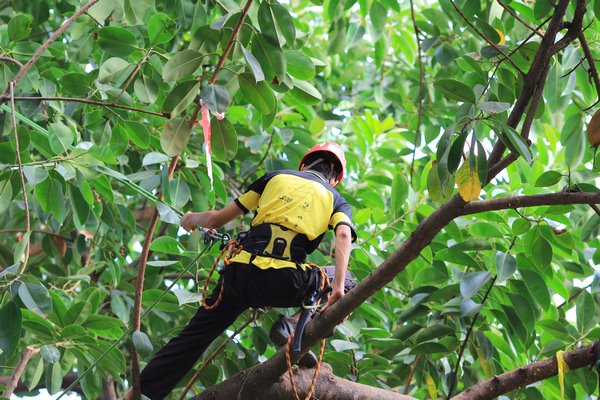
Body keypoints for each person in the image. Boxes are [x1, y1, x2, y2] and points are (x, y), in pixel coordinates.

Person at [130, 142, 356, 400]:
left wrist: (191, 218)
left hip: (239, 276)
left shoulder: (275, 177)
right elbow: (343, 234)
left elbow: (216, 220)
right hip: (285, 281)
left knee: (190, 341)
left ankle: (135, 395)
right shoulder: (335, 199)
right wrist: (337, 288)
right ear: (335, 179)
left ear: (303, 164)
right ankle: (292, 325)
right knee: (350, 280)